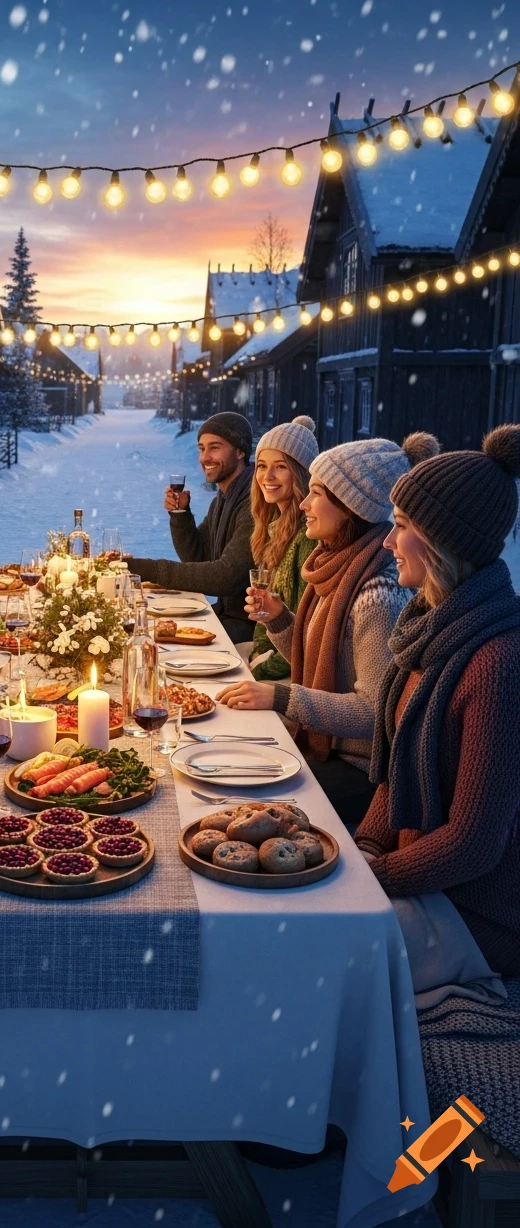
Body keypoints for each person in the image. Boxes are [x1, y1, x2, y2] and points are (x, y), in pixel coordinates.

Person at [355, 426, 520, 989]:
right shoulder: (428, 632)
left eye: (400, 528)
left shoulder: (496, 662)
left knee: (324, 946)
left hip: (481, 913)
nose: (387, 542)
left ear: (442, 542)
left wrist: (374, 878)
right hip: (424, 878)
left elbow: (474, 843)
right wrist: (363, 848)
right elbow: (396, 774)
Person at [218, 433, 439, 824]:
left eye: (316, 492)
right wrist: (281, 620)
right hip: (329, 746)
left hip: (362, 770)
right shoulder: (334, 566)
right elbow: (322, 661)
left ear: (349, 507)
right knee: (230, 755)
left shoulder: (376, 593)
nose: (303, 502)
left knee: (238, 798)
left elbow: (374, 713)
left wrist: (281, 697)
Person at [126, 411, 255, 641]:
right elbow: (197, 557)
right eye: (201, 448)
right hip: (226, 617)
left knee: (152, 641)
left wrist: (148, 569)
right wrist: (180, 515)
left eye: (215, 447)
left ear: (240, 450)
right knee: (149, 629)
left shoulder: (254, 503)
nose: (205, 458)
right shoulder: (224, 498)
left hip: (247, 628)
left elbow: (225, 577)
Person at [246, 416, 318, 681]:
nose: (268, 476)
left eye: (280, 467)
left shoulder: (307, 537)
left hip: (293, 673)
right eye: (262, 466)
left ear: (300, 474)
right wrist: (258, 653)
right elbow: (265, 614)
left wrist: (260, 667)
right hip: (269, 657)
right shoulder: (271, 526)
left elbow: (303, 628)